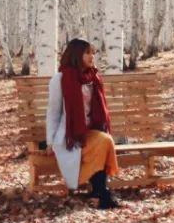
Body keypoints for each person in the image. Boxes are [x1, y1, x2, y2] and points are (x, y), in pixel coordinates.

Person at [45, 39, 120, 209]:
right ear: (76, 55)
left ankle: (100, 192)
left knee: (104, 140)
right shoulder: (61, 79)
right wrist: (50, 141)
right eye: (87, 53)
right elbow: (53, 112)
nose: (91, 56)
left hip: (89, 131)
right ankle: (103, 193)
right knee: (104, 141)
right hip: (71, 135)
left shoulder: (93, 77)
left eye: (93, 52)